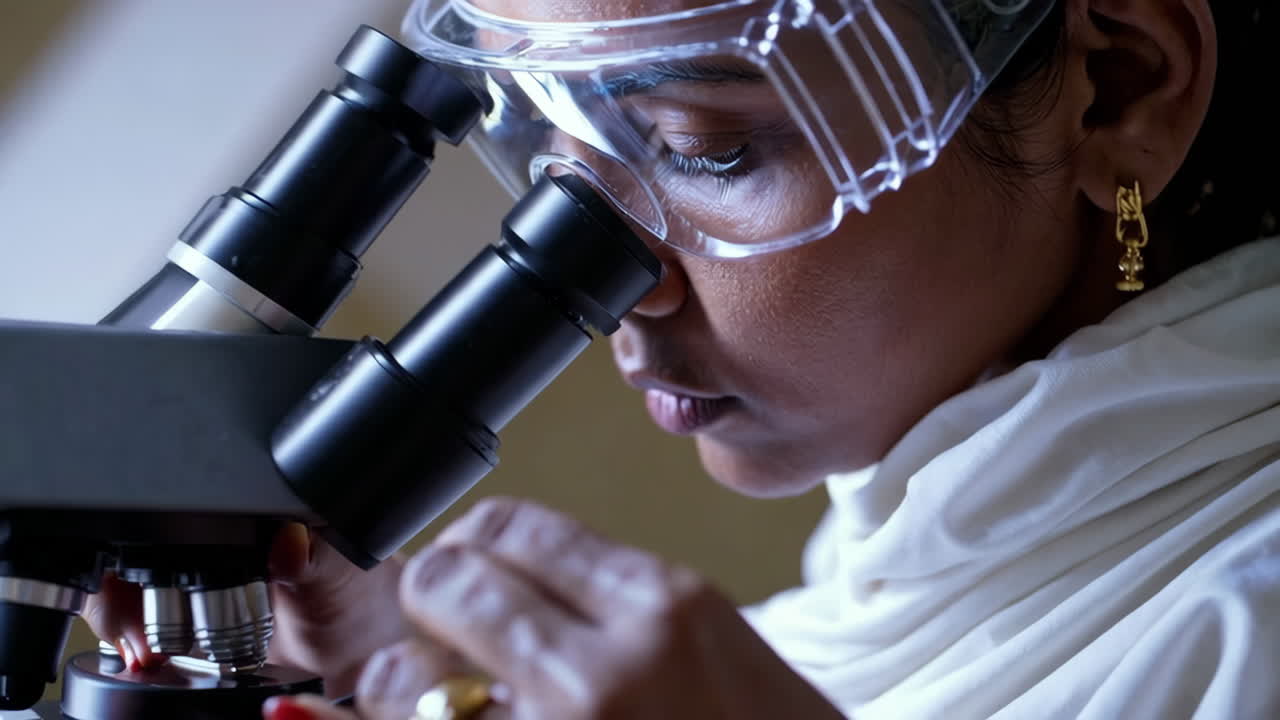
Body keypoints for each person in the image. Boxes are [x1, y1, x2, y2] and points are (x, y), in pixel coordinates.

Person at [86, 0, 1280, 718]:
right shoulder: (875, 603)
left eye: (697, 149)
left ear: (1116, 89)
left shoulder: (1247, 628)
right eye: (546, 152)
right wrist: (393, 670)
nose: (610, 282)